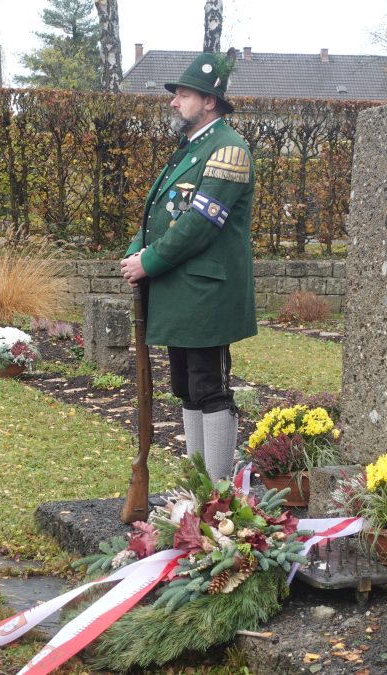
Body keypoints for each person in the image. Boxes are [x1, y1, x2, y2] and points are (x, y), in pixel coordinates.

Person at [119, 51, 256, 482]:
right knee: (185, 387)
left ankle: (216, 492)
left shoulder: (229, 149)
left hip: (205, 292)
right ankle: (197, 482)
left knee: (208, 387)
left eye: (183, 95)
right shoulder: (192, 149)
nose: (174, 103)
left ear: (209, 101)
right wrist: (136, 250)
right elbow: (161, 212)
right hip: (179, 289)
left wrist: (151, 261)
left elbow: (201, 223)